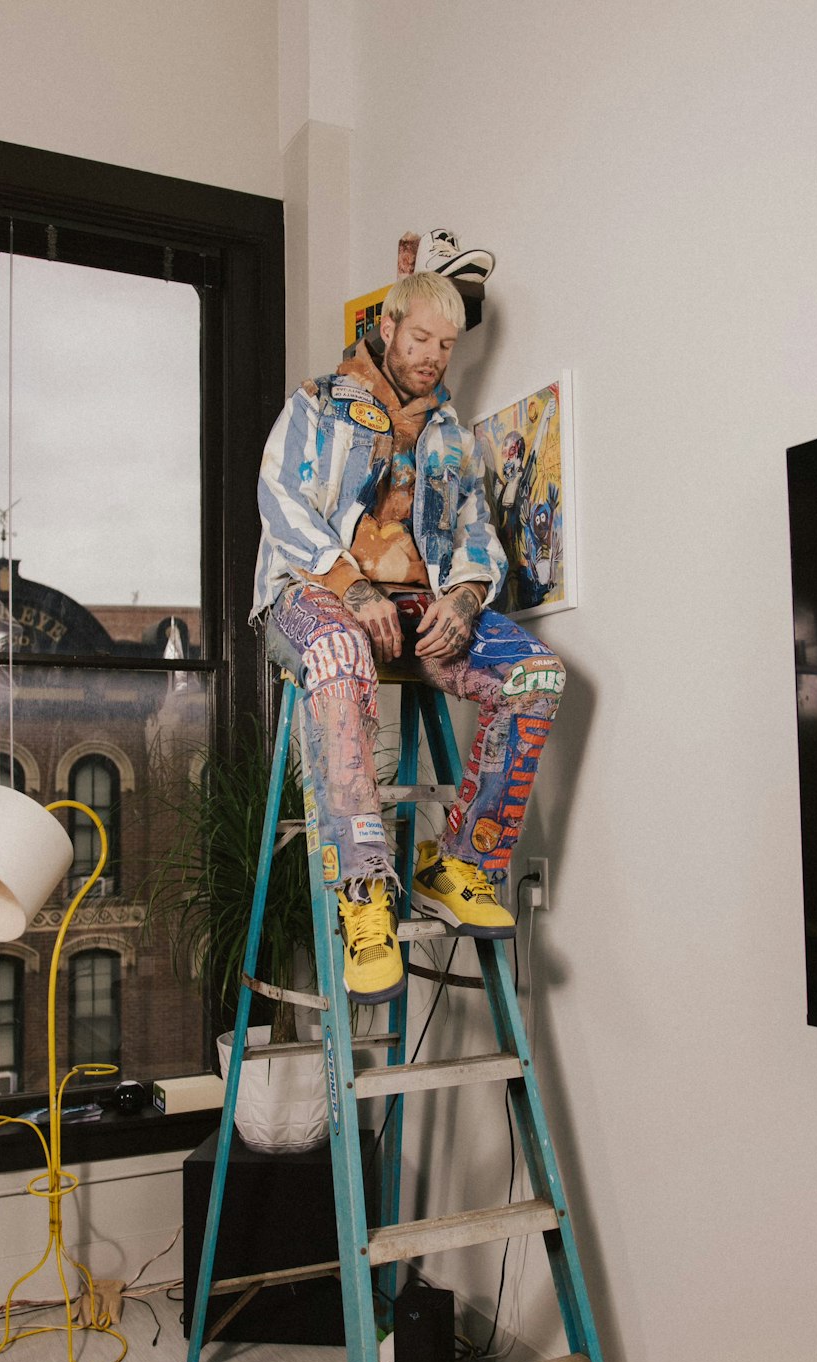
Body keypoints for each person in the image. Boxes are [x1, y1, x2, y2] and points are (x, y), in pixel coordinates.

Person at [253, 271, 565, 1004]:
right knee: (338, 649)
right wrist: (353, 587)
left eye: (447, 344)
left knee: (538, 673)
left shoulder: (450, 435)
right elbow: (279, 501)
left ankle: (457, 863)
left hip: (418, 607)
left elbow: (476, 533)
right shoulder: (317, 403)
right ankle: (362, 889)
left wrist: (463, 594)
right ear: (387, 327)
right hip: (312, 596)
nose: (433, 355)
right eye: (421, 337)